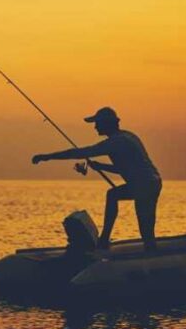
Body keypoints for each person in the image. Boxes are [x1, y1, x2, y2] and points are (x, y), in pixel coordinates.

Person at [32, 107, 162, 251]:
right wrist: (101, 166)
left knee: (146, 229)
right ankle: (105, 239)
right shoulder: (127, 136)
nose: (95, 127)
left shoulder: (115, 142)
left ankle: (147, 255)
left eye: (97, 123)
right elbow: (126, 169)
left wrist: (47, 157)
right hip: (150, 182)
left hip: (145, 186)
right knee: (113, 195)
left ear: (107, 124)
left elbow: (79, 153)